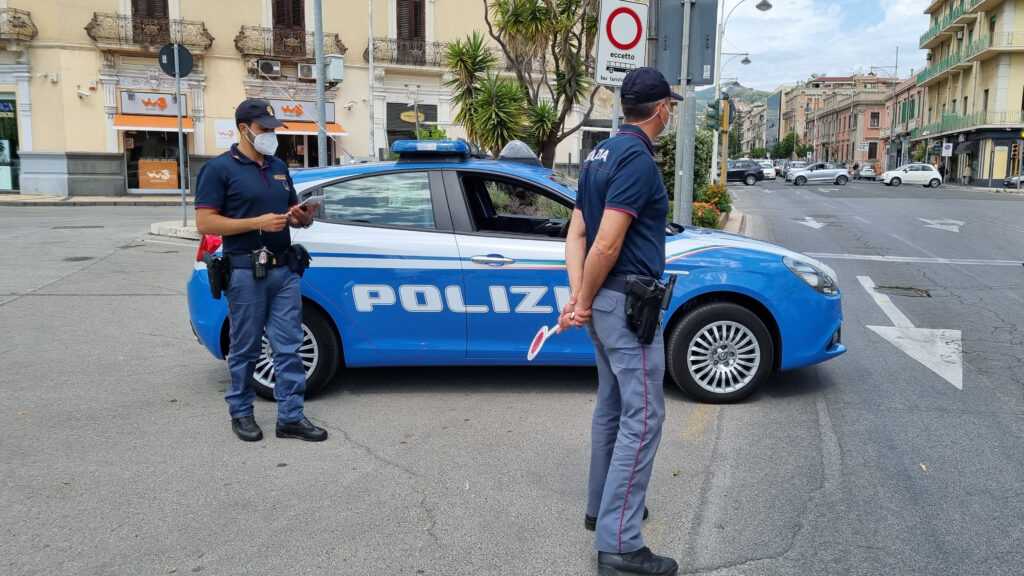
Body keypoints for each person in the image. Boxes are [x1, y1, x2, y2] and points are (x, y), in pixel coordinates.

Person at [559, 67, 681, 576]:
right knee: (644, 416)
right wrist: (583, 299)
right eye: (670, 106)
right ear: (660, 110)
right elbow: (606, 241)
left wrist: (578, 296)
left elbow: (577, 234)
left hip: (604, 304)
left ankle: (601, 509)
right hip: (625, 307)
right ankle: (619, 543)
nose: (670, 112)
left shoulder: (598, 155)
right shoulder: (637, 160)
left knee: (612, 407)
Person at [194, 98, 327, 443]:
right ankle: (241, 413)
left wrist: (303, 217)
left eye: (272, 129)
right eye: (263, 129)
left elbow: (290, 211)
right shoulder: (219, 169)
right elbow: (205, 222)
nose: (270, 135)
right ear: (244, 129)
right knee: (246, 348)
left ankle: (291, 418)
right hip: (245, 272)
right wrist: (256, 223)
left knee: (288, 347)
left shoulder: (279, 166)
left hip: (283, 271)